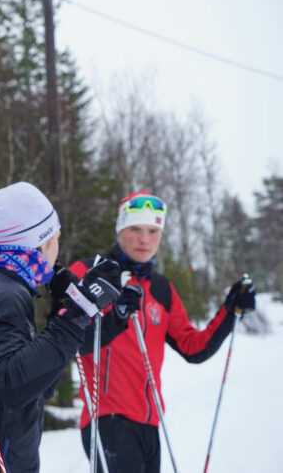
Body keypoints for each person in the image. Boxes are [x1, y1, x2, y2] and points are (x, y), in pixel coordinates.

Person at [0, 181, 125, 473]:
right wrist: (75, 315)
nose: (58, 247)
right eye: (56, 238)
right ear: (44, 243)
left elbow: (36, 384)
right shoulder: (6, 295)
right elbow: (13, 385)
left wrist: (64, 306)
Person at [71, 191, 257, 473]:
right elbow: (72, 340)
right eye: (135, 229)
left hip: (150, 424)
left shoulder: (160, 289)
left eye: (153, 230)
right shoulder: (89, 271)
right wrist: (116, 316)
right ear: (121, 229)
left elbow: (193, 347)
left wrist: (230, 312)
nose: (145, 239)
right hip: (106, 419)